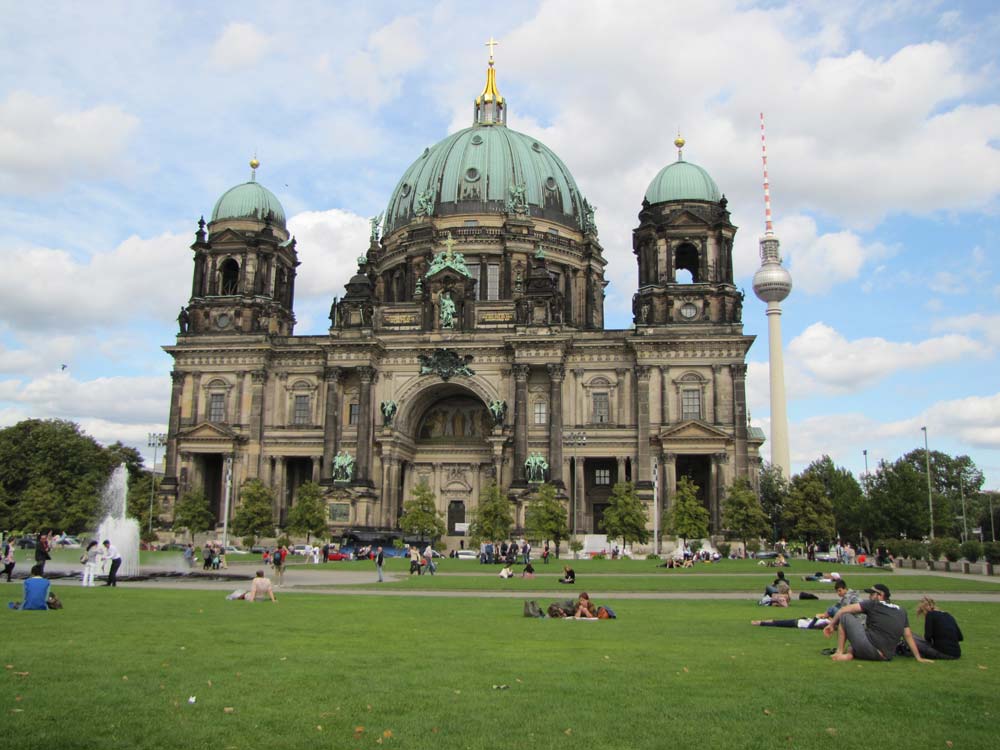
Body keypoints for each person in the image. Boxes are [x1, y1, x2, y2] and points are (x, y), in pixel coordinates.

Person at [823, 584, 931, 663]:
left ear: (880, 595)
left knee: (845, 616)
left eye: (872, 594)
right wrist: (918, 657)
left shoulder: (873, 604)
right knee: (860, 636)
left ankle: (840, 652)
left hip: (869, 648)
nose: (869, 596)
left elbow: (843, 610)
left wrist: (831, 625)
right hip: (886, 656)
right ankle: (850, 654)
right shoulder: (901, 610)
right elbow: (908, 635)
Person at [752, 616, 830, 629]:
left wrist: (816, 618)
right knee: (777, 622)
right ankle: (760, 622)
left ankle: (760, 623)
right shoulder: (827, 620)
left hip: (798, 624)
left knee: (778, 623)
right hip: (800, 621)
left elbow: (810, 627)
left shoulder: (826, 623)